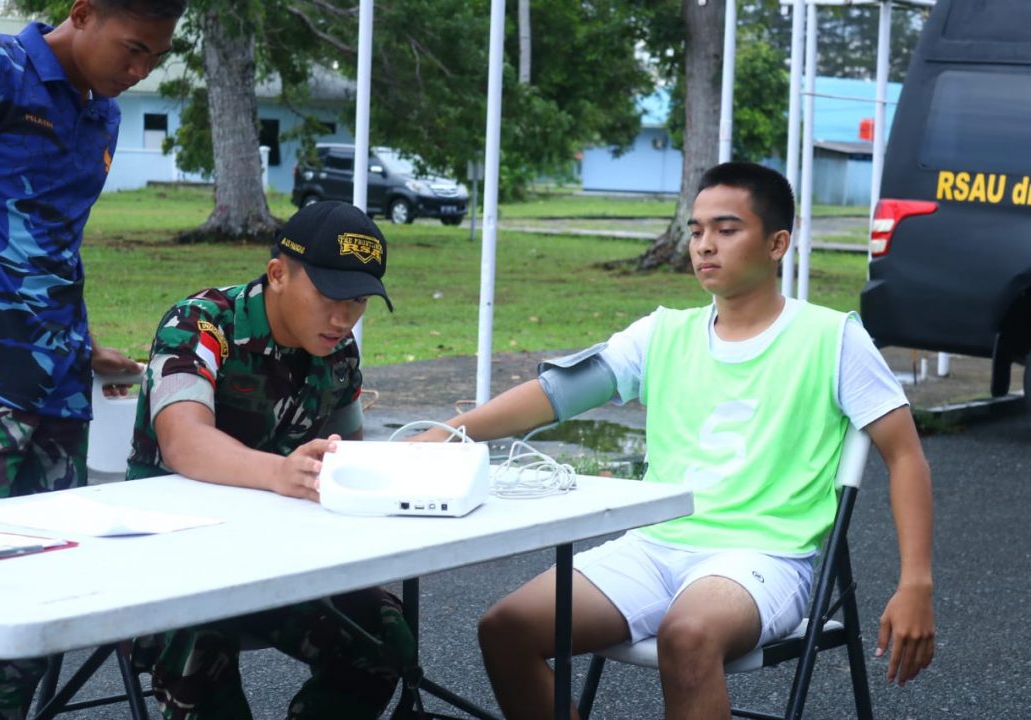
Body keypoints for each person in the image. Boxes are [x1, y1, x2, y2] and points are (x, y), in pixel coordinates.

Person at [415, 162, 936, 719]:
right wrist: (444, 434)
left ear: (777, 243)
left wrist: (916, 585)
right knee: (506, 629)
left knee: (686, 636)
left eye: (726, 229)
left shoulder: (833, 338)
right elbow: (555, 394)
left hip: (763, 556)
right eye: (695, 230)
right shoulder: (662, 332)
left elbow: (905, 456)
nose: (704, 245)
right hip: (654, 549)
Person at [0, 1, 186, 717]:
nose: (140, 69)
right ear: (82, 14)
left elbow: (52, 243)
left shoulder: (103, 114)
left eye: (156, 58)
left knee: (39, 592)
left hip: (57, 393)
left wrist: (81, 345)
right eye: (133, 48)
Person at [126, 200, 413, 720]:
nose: (343, 317)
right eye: (330, 295)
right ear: (278, 274)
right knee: (205, 642)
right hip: (170, 565)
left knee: (384, 636)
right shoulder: (201, 323)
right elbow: (184, 442)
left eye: (359, 300)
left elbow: (345, 458)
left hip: (277, 560)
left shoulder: (336, 351)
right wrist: (280, 472)